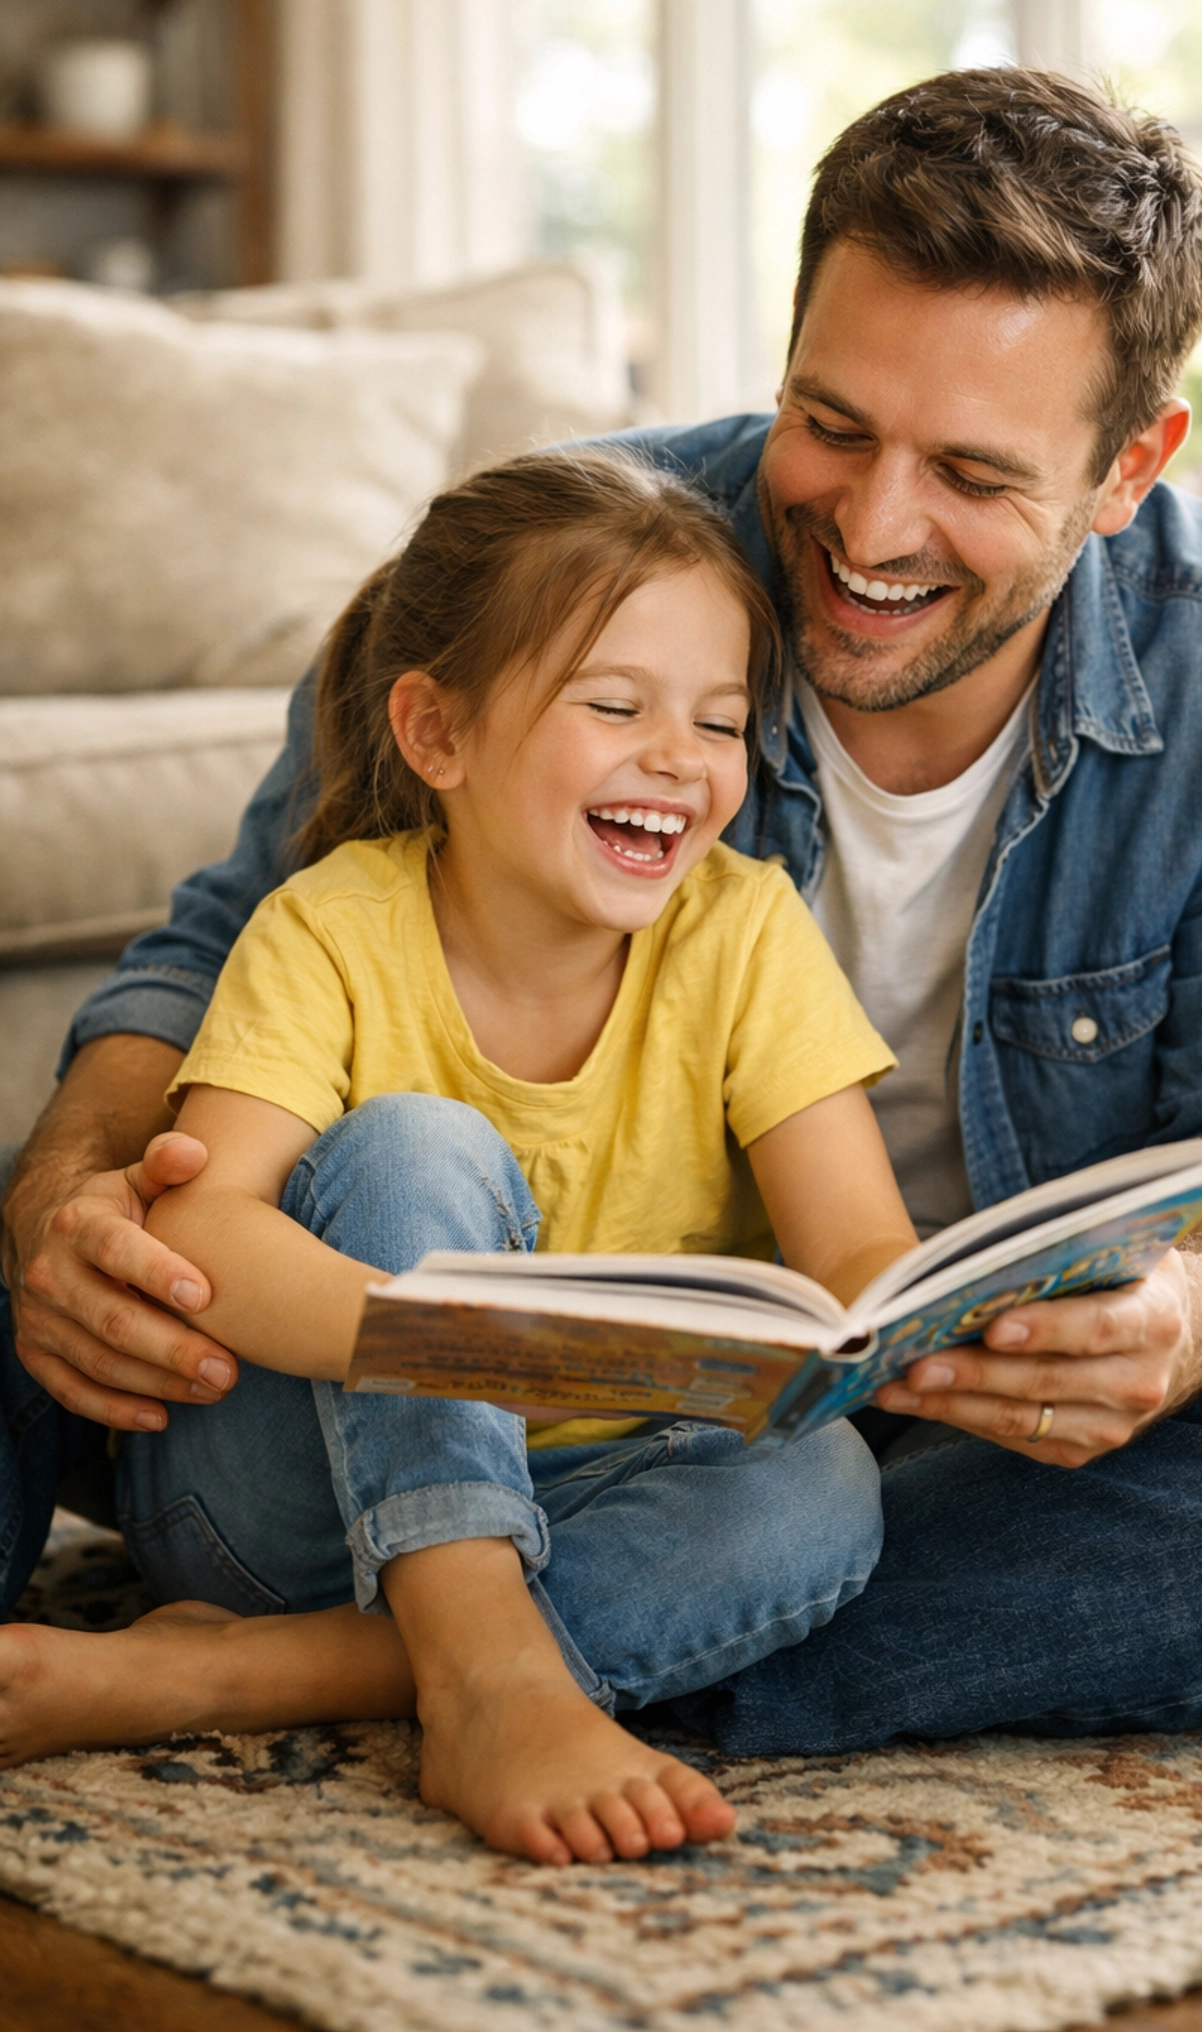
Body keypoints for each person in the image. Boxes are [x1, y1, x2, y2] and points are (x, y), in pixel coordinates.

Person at [1, 66, 1202, 1755]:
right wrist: (66, 1199)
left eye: (973, 473)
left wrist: (1185, 1319)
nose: (871, 527)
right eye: (832, 426)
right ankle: (565, 1647)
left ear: (1128, 464)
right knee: (207, 1181)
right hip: (372, 1395)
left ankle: (369, 1666)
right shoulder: (560, 574)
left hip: (840, 1436)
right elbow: (224, 951)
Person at [1, 447, 920, 1861]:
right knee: (414, 1145)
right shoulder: (332, 926)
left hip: (576, 1503)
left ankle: (234, 1676)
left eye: (722, 722)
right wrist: (485, 1350)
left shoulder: (744, 932)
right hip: (282, 1504)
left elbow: (857, 1248)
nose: (679, 757)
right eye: (615, 705)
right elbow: (199, 1224)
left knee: (825, 1494)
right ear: (438, 733)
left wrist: (945, 1325)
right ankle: (488, 1670)